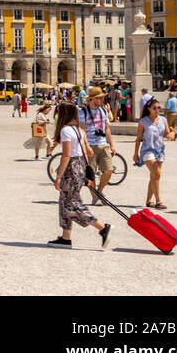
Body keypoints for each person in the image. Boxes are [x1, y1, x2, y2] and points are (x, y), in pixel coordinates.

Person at [47, 103, 113, 249]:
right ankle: (66, 237)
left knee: (72, 203)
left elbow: (66, 155)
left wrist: (58, 176)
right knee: (65, 202)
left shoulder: (65, 131)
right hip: (80, 166)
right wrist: (85, 173)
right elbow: (85, 154)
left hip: (71, 167)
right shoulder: (79, 130)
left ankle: (102, 228)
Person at [132, 98, 174, 209]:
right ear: (149, 109)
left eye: (159, 107)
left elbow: (167, 133)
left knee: (154, 175)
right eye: (154, 108)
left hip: (160, 150)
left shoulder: (163, 120)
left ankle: (148, 201)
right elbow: (138, 138)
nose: (157, 110)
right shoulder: (143, 121)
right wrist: (135, 153)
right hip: (147, 150)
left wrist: (171, 135)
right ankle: (159, 201)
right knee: (157, 173)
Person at [78, 87, 117, 203]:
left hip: (103, 144)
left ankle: (99, 192)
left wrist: (112, 145)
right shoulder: (82, 112)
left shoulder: (104, 110)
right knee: (91, 174)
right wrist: (86, 146)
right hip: (91, 145)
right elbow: (82, 131)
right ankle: (95, 197)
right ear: (92, 99)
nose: (102, 100)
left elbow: (107, 129)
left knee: (108, 170)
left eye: (102, 98)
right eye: (100, 98)